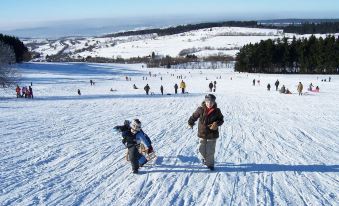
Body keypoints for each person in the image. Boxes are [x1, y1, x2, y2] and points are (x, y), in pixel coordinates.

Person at [188, 94, 224, 171]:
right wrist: (190, 122)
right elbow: (194, 116)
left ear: (214, 102)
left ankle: (210, 164)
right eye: (208, 102)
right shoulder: (200, 109)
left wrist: (216, 124)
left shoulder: (217, 111)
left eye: (211, 102)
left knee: (210, 150)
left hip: (212, 134)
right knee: (201, 148)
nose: (209, 104)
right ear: (205, 101)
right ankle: (205, 159)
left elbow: (221, 120)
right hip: (202, 133)